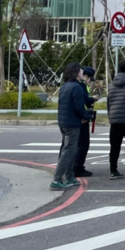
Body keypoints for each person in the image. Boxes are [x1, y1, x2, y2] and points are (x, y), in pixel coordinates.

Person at [53, 62, 87, 191]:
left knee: (70, 149)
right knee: (68, 151)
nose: (82, 73)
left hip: (64, 121)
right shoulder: (77, 87)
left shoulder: (65, 86)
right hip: (72, 123)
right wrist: (86, 116)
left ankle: (70, 177)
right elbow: (79, 106)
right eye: (81, 71)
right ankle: (56, 180)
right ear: (77, 72)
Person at [72, 66, 98, 178]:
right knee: (83, 144)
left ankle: (74, 167)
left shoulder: (74, 84)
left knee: (75, 144)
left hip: (75, 119)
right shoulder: (80, 85)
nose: (90, 81)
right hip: (81, 119)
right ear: (85, 76)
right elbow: (81, 102)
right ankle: (78, 168)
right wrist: (92, 99)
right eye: (90, 78)